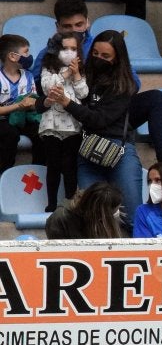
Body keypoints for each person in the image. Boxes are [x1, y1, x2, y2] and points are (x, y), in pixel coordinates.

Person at [35, 0, 162, 172]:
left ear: (87, 22)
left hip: (110, 109)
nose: (74, 30)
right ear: (57, 27)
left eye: (79, 24)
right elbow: (39, 88)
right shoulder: (49, 53)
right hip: (77, 115)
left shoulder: (102, 44)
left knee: (156, 98)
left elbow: (133, 83)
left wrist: (106, 84)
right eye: (67, 26)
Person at [48, 31, 142, 225]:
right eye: (95, 53)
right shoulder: (81, 73)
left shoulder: (124, 84)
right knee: (90, 219)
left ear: (117, 58)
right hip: (87, 149)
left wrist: (67, 103)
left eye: (105, 56)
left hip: (118, 149)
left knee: (132, 217)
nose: (99, 59)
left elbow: (99, 120)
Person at [37, 32, 86, 211]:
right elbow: (48, 87)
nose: (69, 53)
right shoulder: (49, 70)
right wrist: (66, 74)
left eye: (74, 49)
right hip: (51, 125)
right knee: (53, 165)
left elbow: (83, 94)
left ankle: (70, 204)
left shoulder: (79, 72)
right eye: (65, 49)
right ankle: (51, 204)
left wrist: (77, 74)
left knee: (70, 166)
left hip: (72, 125)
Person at [0, 34, 39, 176]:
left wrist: (33, 103)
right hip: (4, 119)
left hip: (25, 116)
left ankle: (38, 170)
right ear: (12, 56)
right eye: (26, 52)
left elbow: (34, 101)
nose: (29, 56)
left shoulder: (28, 76)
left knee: (41, 132)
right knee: (10, 134)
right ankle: (5, 173)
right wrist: (18, 106)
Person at [44, 182, 124, 240]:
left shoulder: (101, 217)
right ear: (102, 213)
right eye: (114, 211)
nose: (117, 212)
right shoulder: (60, 218)